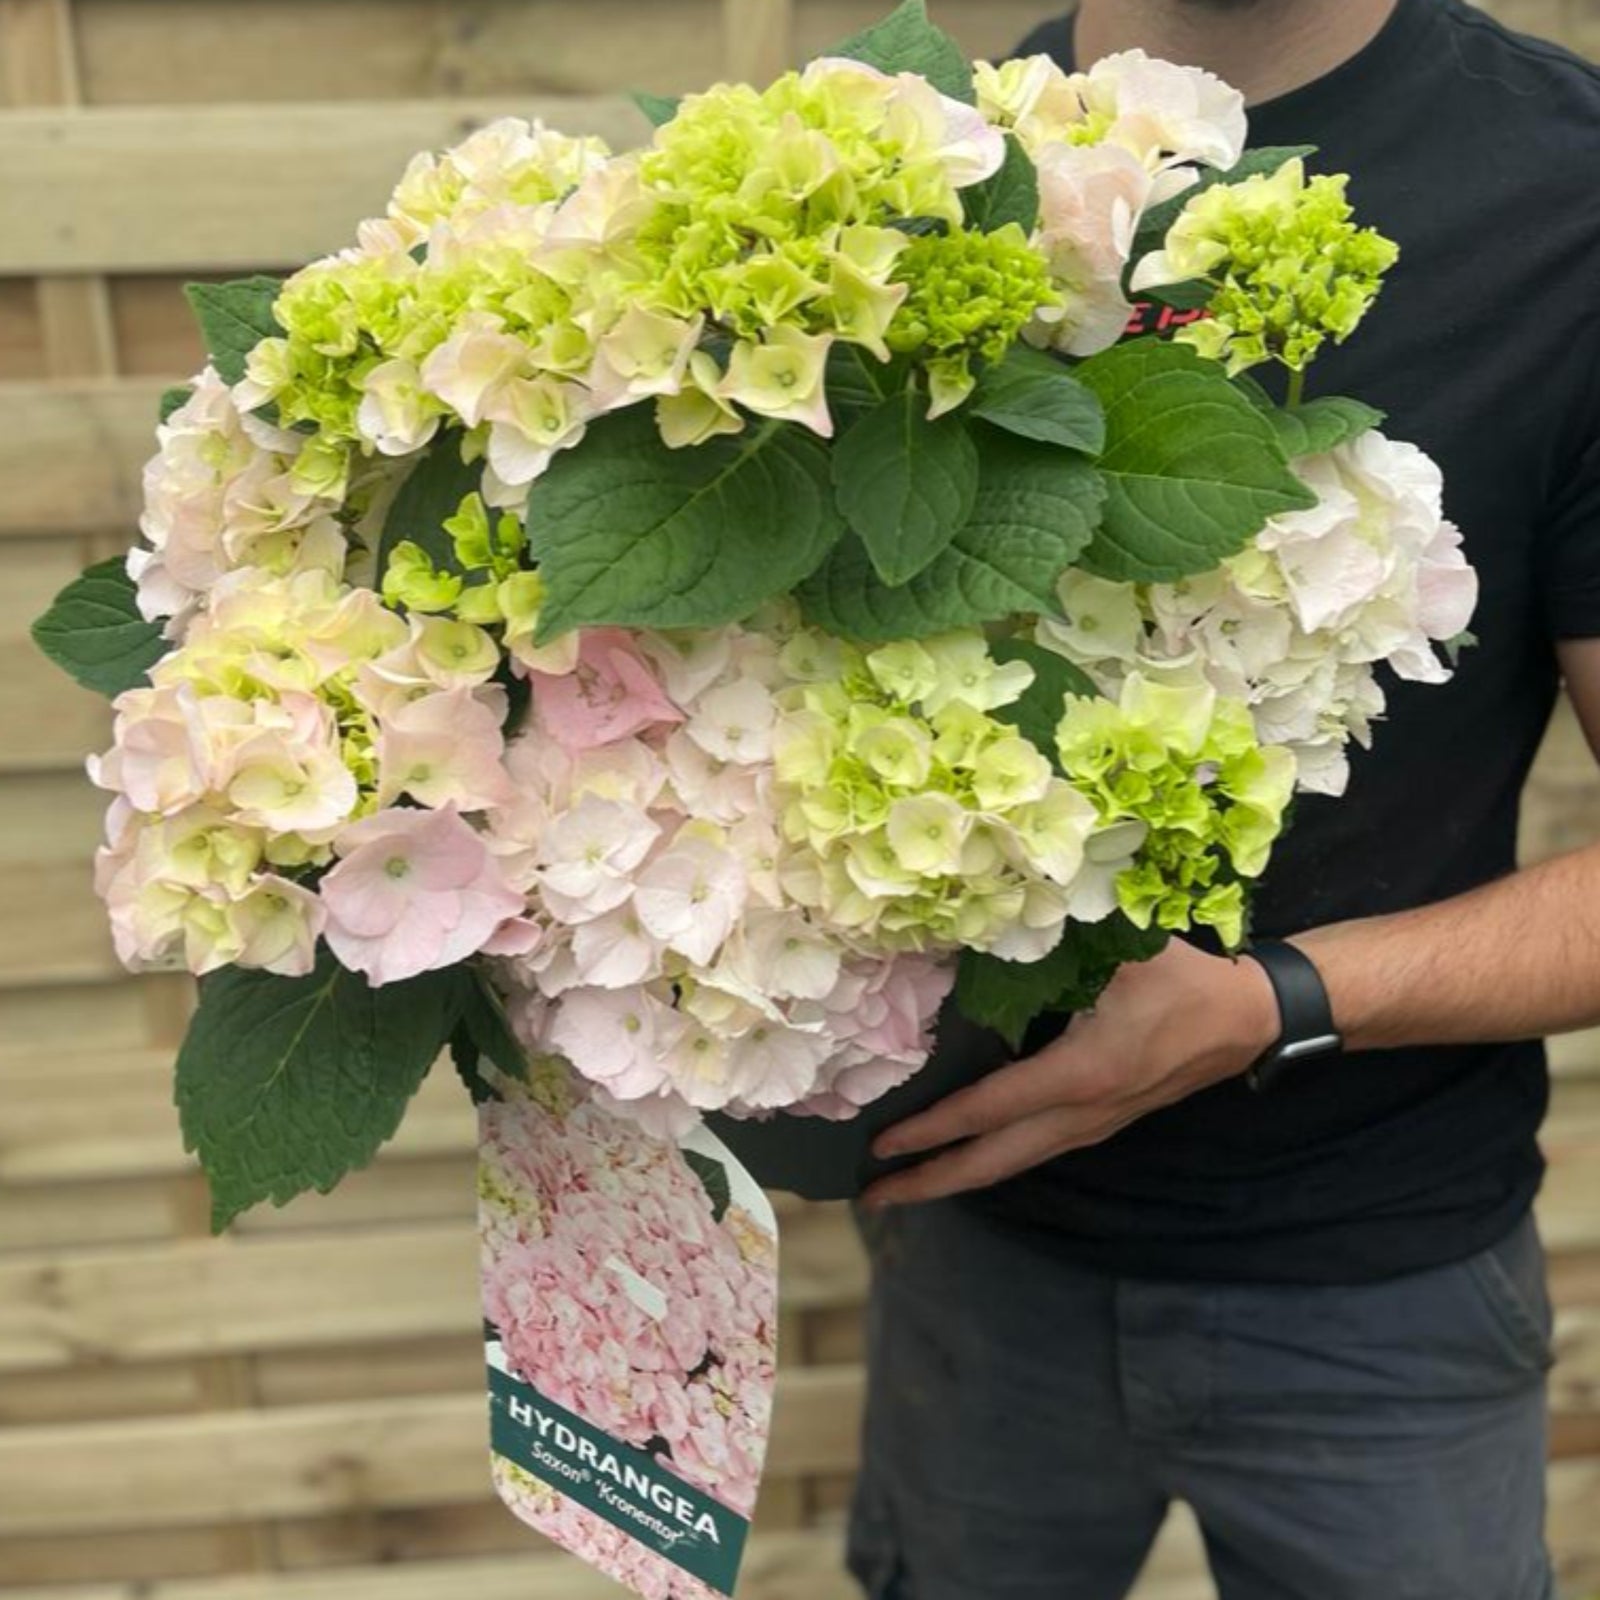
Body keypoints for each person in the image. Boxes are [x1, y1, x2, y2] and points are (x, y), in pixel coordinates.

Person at [846, 3, 1600, 1596]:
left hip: (1381, 1281)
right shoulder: (911, 157)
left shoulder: (1568, 198)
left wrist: (1279, 1002)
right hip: (975, 1242)